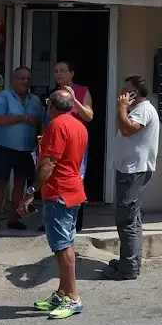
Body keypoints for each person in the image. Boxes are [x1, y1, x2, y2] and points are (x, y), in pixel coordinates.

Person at [18, 89, 87, 320]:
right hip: (71, 190)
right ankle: (62, 293)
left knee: (63, 246)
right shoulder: (78, 125)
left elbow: (49, 164)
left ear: (51, 106)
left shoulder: (57, 125)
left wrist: (30, 192)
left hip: (59, 192)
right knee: (64, 244)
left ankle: (72, 297)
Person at [103, 76, 159, 281]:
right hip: (130, 170)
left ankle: (128, 268)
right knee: (132, 219)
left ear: (136, 92)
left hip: (133, 171)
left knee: (126, 220)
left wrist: (122, 107)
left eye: (127, 90)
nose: (122, 93)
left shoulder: (142, 109)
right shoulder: (138, 109)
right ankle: (130, 261)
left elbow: (127, 129)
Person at [0, 66, 43, 234]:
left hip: (26, 149)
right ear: (13, 79)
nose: (25, 81)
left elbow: (39, 121)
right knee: (0, 184)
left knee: (20, 184)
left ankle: (13, 219)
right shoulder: (3, 97)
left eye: (28, 79)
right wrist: (23, 118)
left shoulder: (35, 100)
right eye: (21, 78)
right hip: (5, 148)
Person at [39, 60, 94, 232]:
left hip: (73, 140)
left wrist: (74, 99)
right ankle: (50, 219)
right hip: (55, 139)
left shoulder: (82, 90)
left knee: (76, 176)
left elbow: (89, 116)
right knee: (50, 174)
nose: (59, 74)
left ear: (72, 73)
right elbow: (46, 118)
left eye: (63, 70)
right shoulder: (53, 93)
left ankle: (75, 222)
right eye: (56, 71)